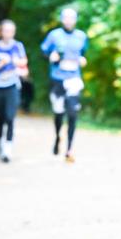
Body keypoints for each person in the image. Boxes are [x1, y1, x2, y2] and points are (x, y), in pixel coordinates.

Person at [41, 8, 88, 163]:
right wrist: (51, 56)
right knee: (59, 113)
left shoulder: (81, 36)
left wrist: (82, 59)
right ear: (62, 19)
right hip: (57, 79)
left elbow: (84, 53)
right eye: (66, 18)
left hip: (74, 79)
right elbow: (44, 50)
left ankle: (69, 149)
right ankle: (57, 137)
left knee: (73, 113)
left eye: (71, 18)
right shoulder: (54, 35)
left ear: (75, 20)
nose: (69, 20)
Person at [0, 19, 28, 162]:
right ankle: (0, 141)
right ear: (0, 31)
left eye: (11, 30)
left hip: (12, 85)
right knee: (1, 118)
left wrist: (15, 62)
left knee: (10, 117)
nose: (8, 33)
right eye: (6, 30)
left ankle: (8, 149)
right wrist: (0, 64)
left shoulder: (18, 46)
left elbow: (23, 62)